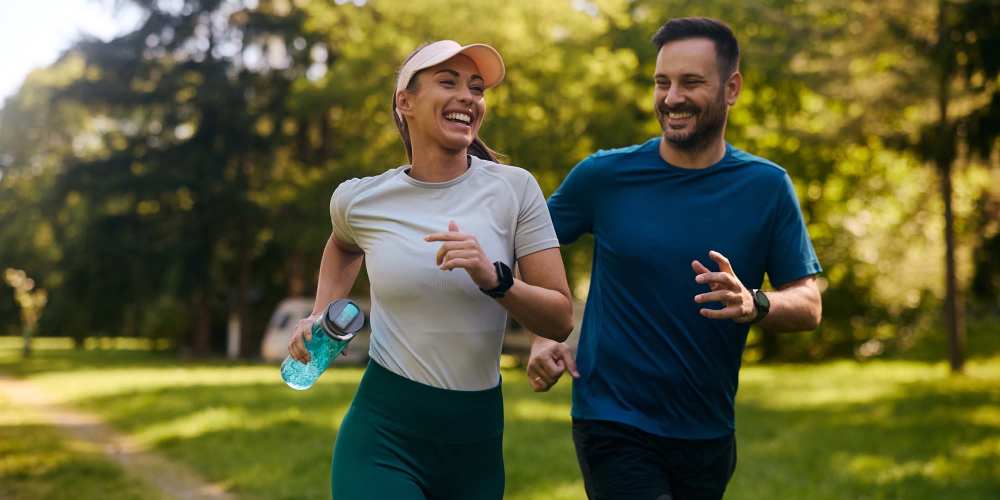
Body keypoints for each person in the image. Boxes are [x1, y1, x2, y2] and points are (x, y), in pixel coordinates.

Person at [527, 17, 823, 500]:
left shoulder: (767, 187)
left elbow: (809, 305)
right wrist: (543, 334)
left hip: (707, 430)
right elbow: (530, 247)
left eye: (691, 82)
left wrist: (754, 304)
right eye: (662, 82)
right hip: (612, 419)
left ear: (732, 89)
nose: (671, 97)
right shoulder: (604, 177)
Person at [286, 40, 574, 500]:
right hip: (384, 436)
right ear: (406, 102)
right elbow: (342, 246)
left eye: (476, 88)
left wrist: (495, 278)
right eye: (449, 82)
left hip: (475, 446)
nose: (468, 97)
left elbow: (559, 319)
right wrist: (320, 313)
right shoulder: (361, 199)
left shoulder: (515, 189)